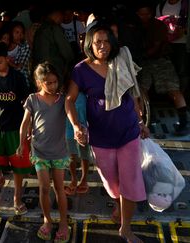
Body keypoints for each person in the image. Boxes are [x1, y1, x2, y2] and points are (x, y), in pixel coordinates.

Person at [65, 24, 150, 243]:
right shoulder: (81, 70)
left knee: (129, 181)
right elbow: (69, 100)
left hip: (128, 131)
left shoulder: (121, 61)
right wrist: (76, 126)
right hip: (101, 137)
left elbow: (135, 93)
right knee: (113, 184)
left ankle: (126, 229)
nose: (102, 46)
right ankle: (121, 206)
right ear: (89, 45)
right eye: (97, 42)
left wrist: (141, 121)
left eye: (106, 41)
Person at [18, 62, 70, 242]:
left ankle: (63, 222)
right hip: (39, 151)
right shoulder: (32, 99)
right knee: (44, 188)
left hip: (59, 152)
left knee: (59, 188)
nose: (52, 86)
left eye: (55, 82)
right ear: (39, 82)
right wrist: (20, 143)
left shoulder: (63, 99)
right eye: (48, 82)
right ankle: (47, 220)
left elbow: (71, 115)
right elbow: (25, 123)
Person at [0, 41, 32, 215]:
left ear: (7, 59)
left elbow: (27, 104)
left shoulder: (18, 78)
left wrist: (28, 130)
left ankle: (17, 200)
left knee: (18, 167)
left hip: (15, 129)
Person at [136, 4, 189, 135]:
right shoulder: (136, 26)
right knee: (142, 89)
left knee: (173, 89)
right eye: (141, 14)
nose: (144, 17)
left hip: (161, 60)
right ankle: (150, 116)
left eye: (147, 14)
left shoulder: (157, 26)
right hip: (145, 62)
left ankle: (184, 122)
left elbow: (156, 47)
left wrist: (140, 55)